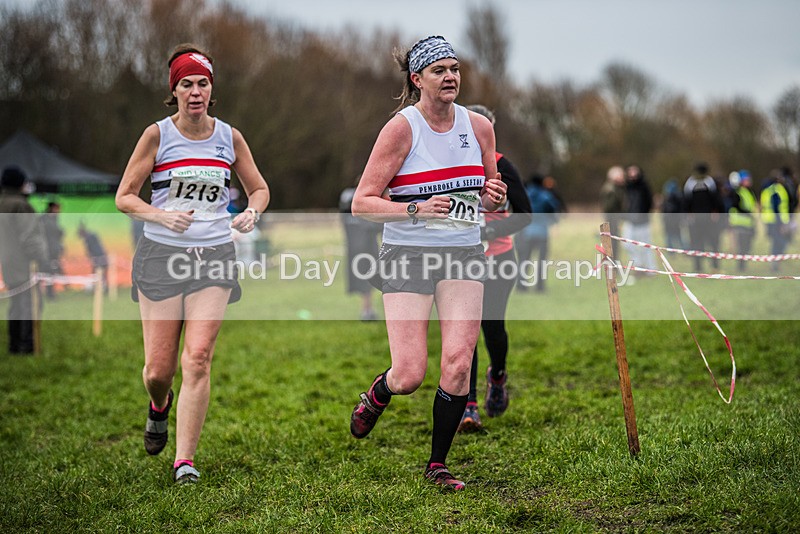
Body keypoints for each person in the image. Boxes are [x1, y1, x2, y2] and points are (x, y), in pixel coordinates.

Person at [348, 36, 507, 491]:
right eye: (439, 70)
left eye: (455, 68)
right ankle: (381, 390)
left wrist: (494, 194)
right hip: (407, 254)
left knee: (458, 364)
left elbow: (489, 188)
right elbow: (362, 203)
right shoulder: (402, 129)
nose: (451, 77)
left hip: (463, 251)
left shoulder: (479, 127)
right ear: (417, 79)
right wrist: (416, 209)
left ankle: (437, 463)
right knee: (411, 374)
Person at [115, 43, 269, 484]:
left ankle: (185, 461)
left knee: (198, 358)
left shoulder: (229, 137)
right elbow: (124, 196)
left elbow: (259, 188)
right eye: (187, 84)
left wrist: (251, 212)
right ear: (175, 90)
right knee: (159, 371)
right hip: (161, 255)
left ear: (211, 89)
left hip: (215, 255)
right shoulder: (157, 136)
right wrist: (161, 214)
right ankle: (159, 404)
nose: (196, 91)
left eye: (203, 83)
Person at [457, 104, 532, 433]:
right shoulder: (453, 167)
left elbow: (525, 214)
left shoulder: (501, 165)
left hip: (499, 258)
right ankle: (468, 406)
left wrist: (488, 232)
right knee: (465, 333)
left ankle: (497, 375)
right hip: (461, 260)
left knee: (492, 328)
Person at [0, 166, 47, 355]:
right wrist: (42, 259)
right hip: (25, 264)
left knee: (15, 305)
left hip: (7, 263)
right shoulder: (21, 205)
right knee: (29, 304)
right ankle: (26, 346)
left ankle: (14, 344)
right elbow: (30, 238)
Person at [339, 176, 382, 321]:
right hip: (366, 247)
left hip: (354, 246)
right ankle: (367, 310)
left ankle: (367, 309)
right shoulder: (364, 203)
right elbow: (376, 225)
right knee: (367, 280)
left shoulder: (346, 198)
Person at [515, 173, 558, 292]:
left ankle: (521, 285)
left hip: (526, 232)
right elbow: (554, 212)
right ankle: (540, 286)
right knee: (542, 262)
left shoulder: (524, 195)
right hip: (542, 233)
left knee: (524, 260)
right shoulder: (546, 196)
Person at [683, 162, 724, 272]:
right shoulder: (690, 183)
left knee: (712, 243)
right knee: (697, 244)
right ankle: (698, 267)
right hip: (696, 220)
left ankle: (714, 266)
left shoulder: (709, 182)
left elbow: (715, 199)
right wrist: (689, 213)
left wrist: (715, 212)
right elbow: (687, 201)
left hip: (709, 219)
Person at [622, 164, 656, 272]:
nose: (632, 174)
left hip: (643, 222)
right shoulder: (625, 187)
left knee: (645, 247)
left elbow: (650, 202)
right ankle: (638, 265)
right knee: (627, 245)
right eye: (630, 172)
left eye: (634, 171)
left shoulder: (644, 186)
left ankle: (651, 269)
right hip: (630, 222)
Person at [760, 171, 791, 272]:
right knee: (779, 242)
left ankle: (775, 263)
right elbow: (777, 208)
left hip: (771, 221)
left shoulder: (768, 190)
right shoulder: (776, 190)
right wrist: (782, 223)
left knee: (777, 242)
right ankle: (775, 264)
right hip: (776, 221)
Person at [727, 170, 757, 272]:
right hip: (739, 224)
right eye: (746, 179)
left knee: (747, 247)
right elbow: (737, 207)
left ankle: (743, 266)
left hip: (748, 223)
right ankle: (740, 267)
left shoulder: (749, 192)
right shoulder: (737, 192)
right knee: (741, 247)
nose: (748, 181)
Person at [41, 201, 65, 299]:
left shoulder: (53, 219)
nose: (58, 211)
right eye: (57, 208)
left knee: (51, 272)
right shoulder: (44, 220)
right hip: (47, 252)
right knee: (47, 272)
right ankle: (49, 293)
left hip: (54, 251)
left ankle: (51, 292)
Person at [601, 165, 626, 258]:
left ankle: (613, 264)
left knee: (614, 244)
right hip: (611, 220)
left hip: (613, 220)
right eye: (621, 175)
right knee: (612, 244)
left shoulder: (617, 188)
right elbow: (609, 207)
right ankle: (612, 265)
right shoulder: (611, 189)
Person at [78, 223, 109, 294]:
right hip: (101, 257)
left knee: (97, 274)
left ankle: (100, 288)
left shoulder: (88, 238)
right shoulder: (92, 235)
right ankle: (102, 288)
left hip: (98, 258)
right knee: (101, 274)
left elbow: (90, 250)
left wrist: (90, 256)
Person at [660, 178, 684, 250]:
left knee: (675, 236)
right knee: (671, 237)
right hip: (670, 221)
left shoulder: (674, 198)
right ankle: (672, 250)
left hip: (673, 221)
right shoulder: (669, 198)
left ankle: (681, 250)